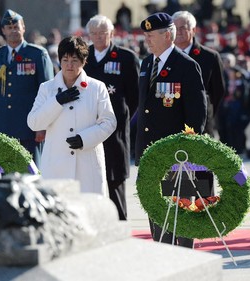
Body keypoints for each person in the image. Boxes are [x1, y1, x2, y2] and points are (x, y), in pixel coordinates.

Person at [135, 12, 207, 248]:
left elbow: (197, 115)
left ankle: (184, 257)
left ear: (167, 35)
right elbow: (145, 109)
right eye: (145, 34)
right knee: (156, 209)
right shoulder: (147, 63)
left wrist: (187, 151)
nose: (147, 39)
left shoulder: (186, 66)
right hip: (150, 152)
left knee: (182, 209)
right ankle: (163, 255)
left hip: (178, 154)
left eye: (151, 35)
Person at [27, 36, 117, 196]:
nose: (69, 65)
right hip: (56, 167)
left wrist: (85, 138)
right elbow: (34, 123)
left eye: (74, 60)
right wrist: (56, 102)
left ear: (83, 61)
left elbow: (109, 122)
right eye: (65, 59)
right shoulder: (47, 88)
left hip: (87, 165)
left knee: (89, 215)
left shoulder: (96, 88)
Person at [84, 14, 139, 220]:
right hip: (88, 129)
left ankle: (121, 224)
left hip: (114, 130)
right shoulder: (83, 57)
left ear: (111, 34)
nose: (98, 38)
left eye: (103, 33)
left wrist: (122, 116)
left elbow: (135, 97)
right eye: (94, 34)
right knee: (90, 183)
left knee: (115, 181)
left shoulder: (126, 58)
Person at [0, 9, 54, 167]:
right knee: (5, 176)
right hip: (2, 127)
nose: (13, 30)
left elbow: (47, 92)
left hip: (29, 128)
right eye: (9, 28)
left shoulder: (37, 55)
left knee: (30, 174)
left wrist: (42, 126)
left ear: (23, 27)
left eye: (16, 26)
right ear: (3, 31)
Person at [172, 11, 225, 137]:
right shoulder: (164, 56)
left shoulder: (210, 57)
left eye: (182, 28)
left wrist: (206, 109)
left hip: (201, 122)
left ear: (193, 30)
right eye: (175, 28)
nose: (178, 32)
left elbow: (218, 91)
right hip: (172, 119)